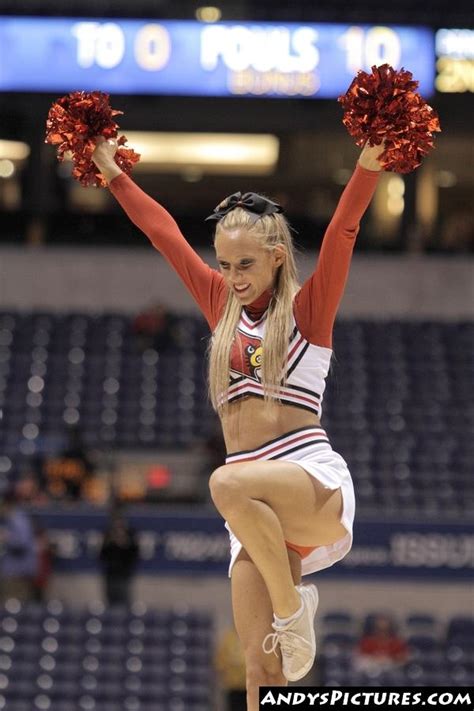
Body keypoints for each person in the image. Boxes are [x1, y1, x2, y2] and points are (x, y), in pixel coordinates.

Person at [91, 131, 386, 709]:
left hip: (304, 479)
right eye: (225, 264)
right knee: (259, 672)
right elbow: (164, 235)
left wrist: (367, 167)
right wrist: (111, 172)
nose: (234, 276)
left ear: (277, 255)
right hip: (250, 510)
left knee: (224, 480)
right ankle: (289, 611)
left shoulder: (309, 310)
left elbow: (342, 232)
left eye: (246, 263)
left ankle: (294, 610)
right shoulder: (220, 305)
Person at [0, 490, 38, 603]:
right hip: (15, 573)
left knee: (13, 608)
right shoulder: (12, 519)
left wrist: (6, 537)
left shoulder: (18, 519)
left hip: (17, 574)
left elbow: (22, 542)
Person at [99, 507, 140, 606]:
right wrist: (110, 543)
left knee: (124, 602)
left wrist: (125, 544)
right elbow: (101, 556)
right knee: (110, 602)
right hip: (110, 575)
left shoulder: (130, 535)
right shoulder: (108, 535)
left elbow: (135, 555)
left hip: (124, 575)